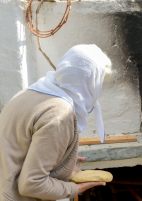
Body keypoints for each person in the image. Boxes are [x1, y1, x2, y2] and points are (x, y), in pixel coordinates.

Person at [0, 44, 112, 201]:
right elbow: (31, 184)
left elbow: (18, 151)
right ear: (89, 81)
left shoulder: (31, 92)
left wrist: (62, 161)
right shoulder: (60, 114)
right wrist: (74, 189)